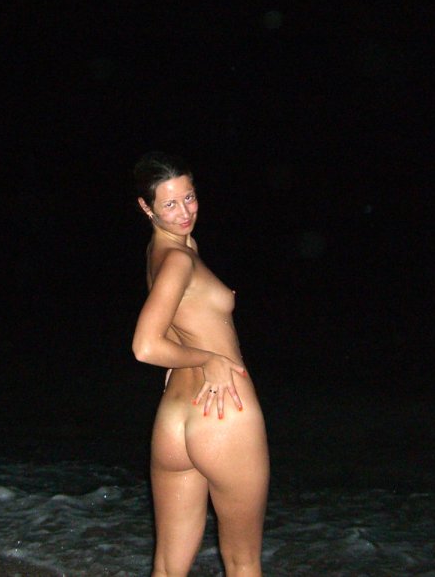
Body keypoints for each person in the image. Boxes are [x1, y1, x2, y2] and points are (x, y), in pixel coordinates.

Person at [131, 152, 269, 576]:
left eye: (189, 197)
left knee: (168, 568)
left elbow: (176, 319)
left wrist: (181, 355)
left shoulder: (166, 249)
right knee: (243, 562)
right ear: (146, 207)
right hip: (223, 412)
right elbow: (145, 346)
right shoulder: (179, 259)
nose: (184, 212)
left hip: (174, 420)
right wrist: (208, 358)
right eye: (169, 204)